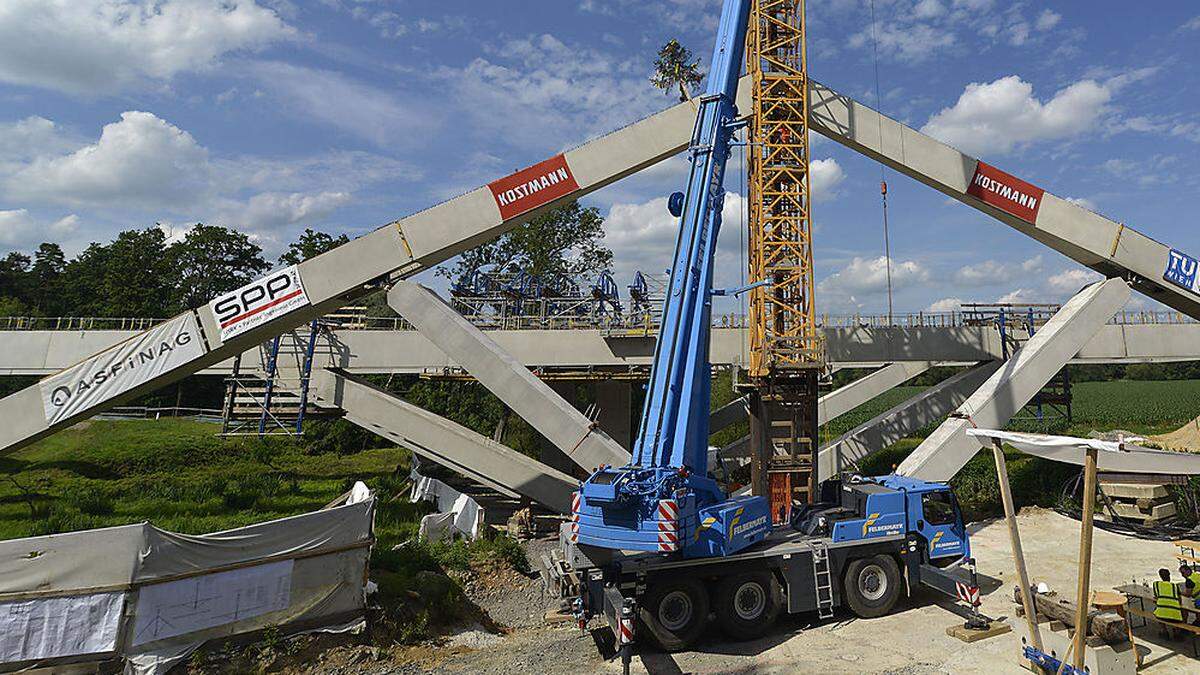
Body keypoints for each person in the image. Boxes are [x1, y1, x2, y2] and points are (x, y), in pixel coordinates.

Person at [1154, 568, 1184, 639]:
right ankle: (1177, 632)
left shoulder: (1156, 584)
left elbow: (1156, 597)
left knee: (1157, 609)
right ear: (1169, 576)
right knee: (1178, 611)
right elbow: (1180, 600)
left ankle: (1164, 631)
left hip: (1161, 615)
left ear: (1160, 576)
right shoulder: (1175, 586)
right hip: (1175, 617)